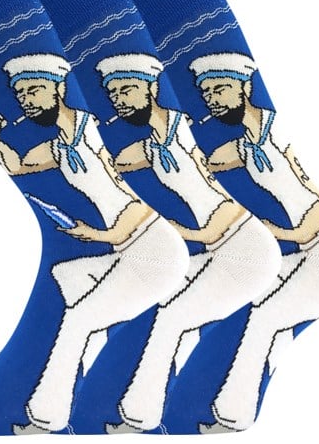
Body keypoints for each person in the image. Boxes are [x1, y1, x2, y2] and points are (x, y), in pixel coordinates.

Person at [0, 53, 180, 434]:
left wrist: (100, 235)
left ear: (60, 88)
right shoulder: (59, 145)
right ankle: (89, 389)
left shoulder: (95, 132)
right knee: (69, 276)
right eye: (20, 94)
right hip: (133, 245)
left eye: (34, 90)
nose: (25, 101)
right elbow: (20, 165)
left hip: (141, 240)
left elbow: (132, 200)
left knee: (76, 320)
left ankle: (46, 416)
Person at [96, 53, 277, 432]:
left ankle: (145, 415)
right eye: (113, 95)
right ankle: (208, 409)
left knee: (171, 318)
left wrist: (190, 234)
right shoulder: (153, 144)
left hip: (229, 238)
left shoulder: (190, 134)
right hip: (222, 241)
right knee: (189, 317)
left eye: (127, 90)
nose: (118, 102)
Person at [189, 52, 319, 432]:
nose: (211, 99)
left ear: (245, 87)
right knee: (247, 306)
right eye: (206, 92)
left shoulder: (266, 136)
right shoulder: (239, 145)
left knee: (260, 318)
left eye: (220, 88)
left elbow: (307, 196)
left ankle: (229, 413)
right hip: (302, 246)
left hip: (316, 240)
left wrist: (285, 234)